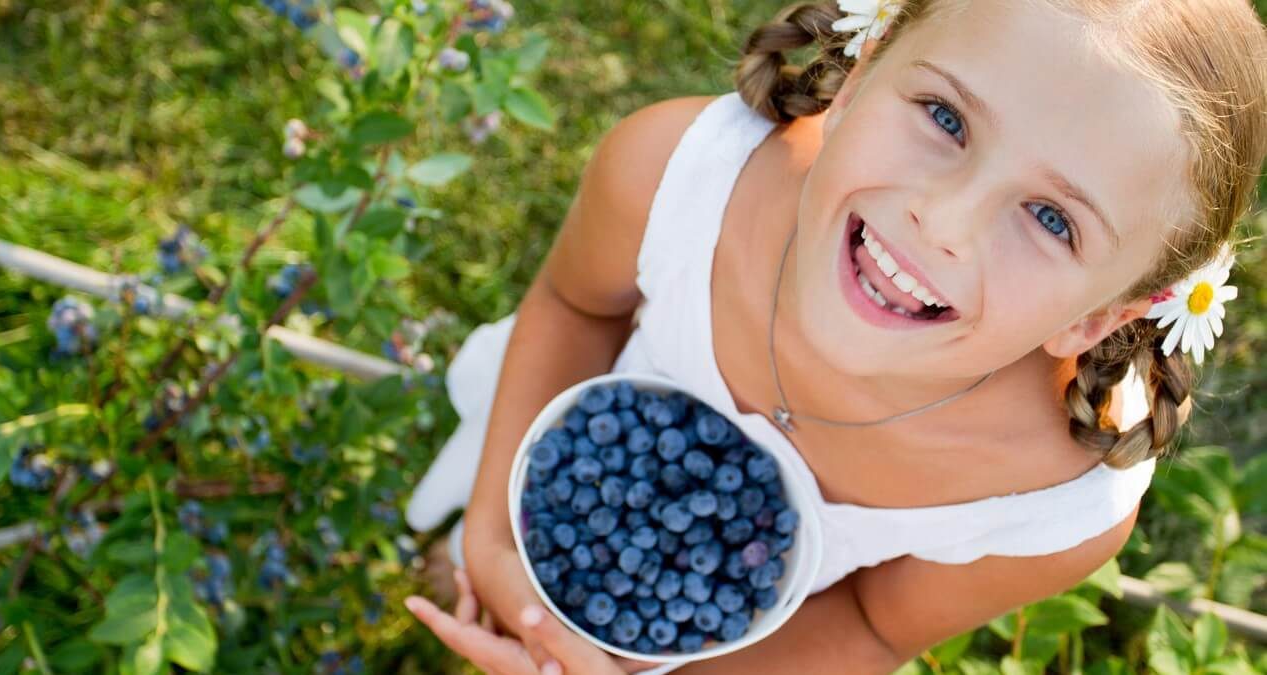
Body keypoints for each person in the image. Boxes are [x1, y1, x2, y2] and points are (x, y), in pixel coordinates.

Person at [401, 1, 1267, 673]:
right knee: (461, 581)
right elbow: (572, 307)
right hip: (549, 454)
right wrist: (492, 538)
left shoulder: (1057, 499)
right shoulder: (675, 179)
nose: (944, 221)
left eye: (1050, 218)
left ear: (1101, 317)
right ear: (859, 78)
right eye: (947, 118)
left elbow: (868, 623)